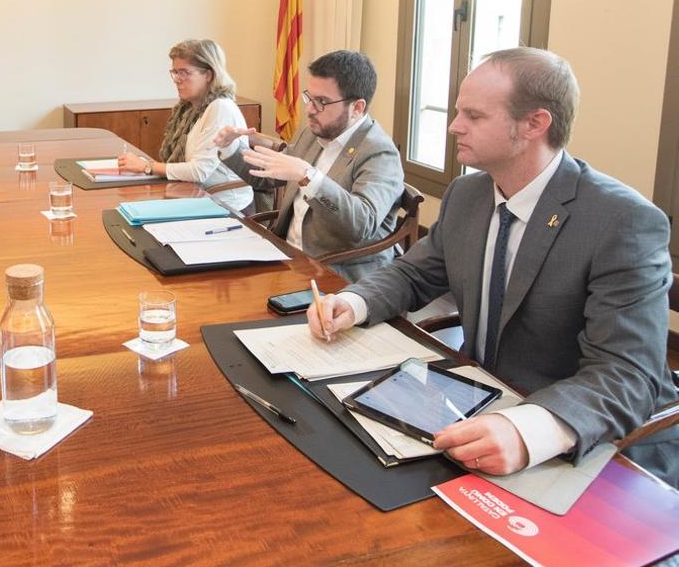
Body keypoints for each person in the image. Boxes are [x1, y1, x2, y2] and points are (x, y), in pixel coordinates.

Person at [309, 47, 678, 486]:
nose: (453, 126)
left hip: (580, 439)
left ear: (535, 124)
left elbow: (627, 375)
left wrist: (529, 429)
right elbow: (415, 272)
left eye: (474, 116)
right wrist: (354, 301)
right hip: (477, 399)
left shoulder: (622, 222)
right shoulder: (468, 194)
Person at [214, 50, 404, 281]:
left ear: (357, 107)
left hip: (337, 276)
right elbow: (266, 177)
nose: (310, 109)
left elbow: (360, 224)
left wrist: (307, 176)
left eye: (322, 102)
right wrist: (230, 149)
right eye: (309, 98)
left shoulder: (379, 153)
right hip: (288, 258)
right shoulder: (314, 133)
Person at [116, 39, 253, 211]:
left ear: (209, 75)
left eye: (185, 73)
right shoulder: (189, 108)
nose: (177, 80)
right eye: (175, 72)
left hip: (226, 206)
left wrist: (146, 166)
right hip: (195, 195)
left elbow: (199, 172)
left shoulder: (220, 108)